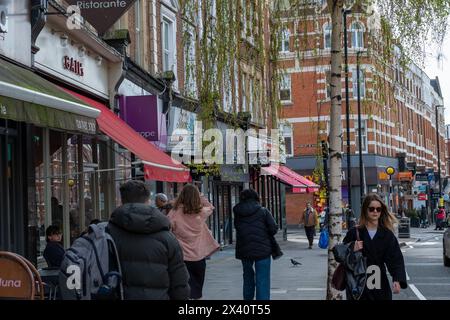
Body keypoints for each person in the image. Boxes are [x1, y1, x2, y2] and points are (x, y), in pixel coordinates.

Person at [107, 180, 190, 300]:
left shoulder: (107, 233)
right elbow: (179, 282)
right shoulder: (167, 238)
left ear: (121, 201)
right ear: (148, 201)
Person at [343, 193, 407, 300]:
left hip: (379, 282)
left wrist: (397, 279)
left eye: (378, 209)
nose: (375, 212)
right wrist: (352, 247)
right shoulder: (355, 233)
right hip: (359, 283)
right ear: (365, 210)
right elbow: (340, 255)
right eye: (371, 209)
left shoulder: (387, 235)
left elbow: (395, 258)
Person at [168, 184, 220, 300]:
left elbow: (167, 226)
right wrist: (200, 196)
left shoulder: (174, 212)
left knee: (185, 287)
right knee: (198, 289)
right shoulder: (200, 212)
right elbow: (210, 207)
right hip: (199, 256)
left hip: (182, 256)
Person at [233, 189, 278, 300]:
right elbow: (273, 228)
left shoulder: (237, 212)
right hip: (263, 250)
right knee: (262, 279)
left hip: (244, 250)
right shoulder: (263, 211)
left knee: (247, 277)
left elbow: (237, 227)